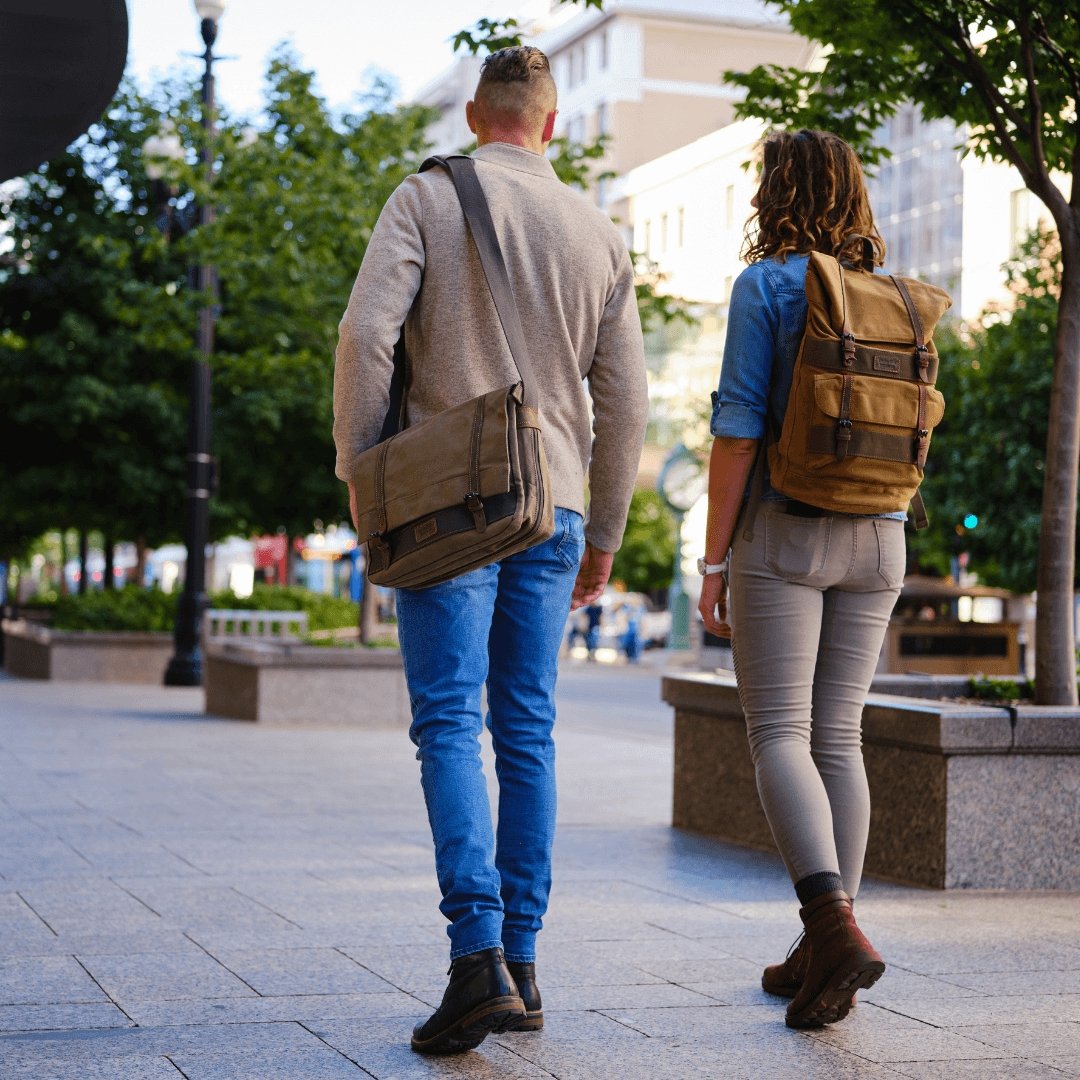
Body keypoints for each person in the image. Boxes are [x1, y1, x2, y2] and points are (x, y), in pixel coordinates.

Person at [333, 46, 648, 1055]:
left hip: (448, 504)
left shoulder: (425, 198)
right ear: (550, 125)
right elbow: (626, 405)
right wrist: (605, 532)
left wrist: (361, 472)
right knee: (527, 731)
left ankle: (476, 962)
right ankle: (523, 962)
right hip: (555, 507)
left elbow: (365, 339)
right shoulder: (599, 233)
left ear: (476, 115)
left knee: (446, 722)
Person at [697, 129, 903, 1030]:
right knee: (839, 738)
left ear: (774, 193)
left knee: (780, 733)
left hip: (787, 532)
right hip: (884, 536)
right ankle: (825, 947)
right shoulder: (891, 292)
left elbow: (738, 429)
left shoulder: (768, 285)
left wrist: (713, 561)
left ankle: (832, 931)